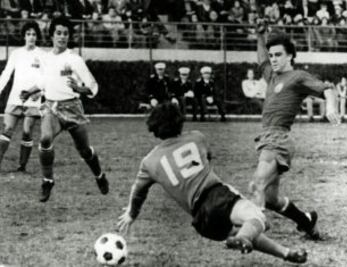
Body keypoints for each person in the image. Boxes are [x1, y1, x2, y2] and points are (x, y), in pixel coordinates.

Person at [117, 102, 307, 264]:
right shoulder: (197, 137)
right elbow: (207, 158)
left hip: (201, 220)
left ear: (153, 128)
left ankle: (286, 253)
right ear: (180, 121)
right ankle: (242, 237)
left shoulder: (148, 162)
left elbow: (138, 191)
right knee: (258, 218)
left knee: (247, 229)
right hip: (216, 196)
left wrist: (131, 214)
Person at [251, 22, 340, 240]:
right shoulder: (272, 75)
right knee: (271, 198)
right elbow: (261, 57)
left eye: (278, 55)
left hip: (278, 139)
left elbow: (328, 89)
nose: (273, 59)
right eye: (272, 55)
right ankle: (306, 220)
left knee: (256, 185)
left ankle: (250, 234)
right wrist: (260, 36)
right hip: (267, 138)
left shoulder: (298, 77)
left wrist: (330, 107)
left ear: (290, 55)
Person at [24, 17, 109, 202]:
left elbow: (93, 86)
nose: (62, 37)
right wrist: (29, 92)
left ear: (69, 36)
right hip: (51, 107)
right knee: (45, 139)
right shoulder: (45, 58)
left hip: (72, 109)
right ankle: (47, 180)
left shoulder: (74, 59)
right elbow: (43, 81)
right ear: (52, 35)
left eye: (65, 34)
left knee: (84, 151)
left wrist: (80, 89)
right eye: (58, 33)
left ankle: (99, 175)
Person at [0, 21, 44, 172]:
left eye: (34, 34)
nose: (31, 37)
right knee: (7, 129)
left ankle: (22, 165)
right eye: (28, 34)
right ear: (24, 36)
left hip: (33, 100)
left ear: (37, 36)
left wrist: (40, 92)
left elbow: (46, 79)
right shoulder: (16, 54)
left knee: (27, 131)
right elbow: (6, 74)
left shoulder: (43, 55)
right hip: (15, 98)